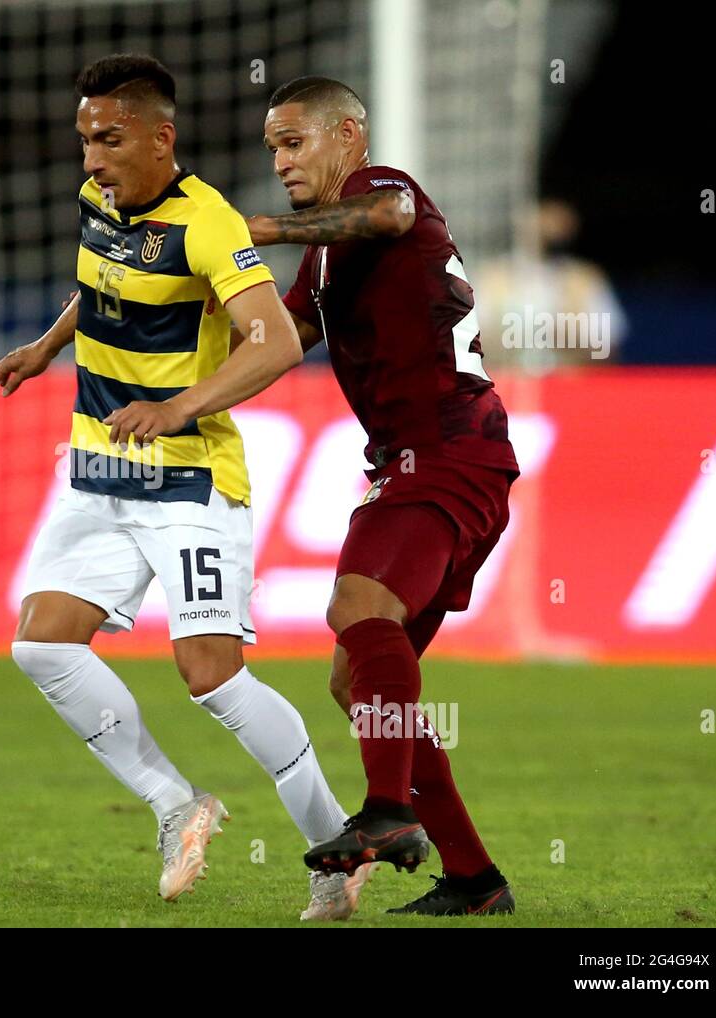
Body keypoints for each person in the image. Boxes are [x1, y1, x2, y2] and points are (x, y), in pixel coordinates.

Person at [0, 54, 372, 920]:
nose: (91, 158)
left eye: (109, 139)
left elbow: (272, 341)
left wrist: (177, 407)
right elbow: (104, 281)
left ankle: (336, 852)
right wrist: (50, 346)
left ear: (161, 139)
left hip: (190, 479)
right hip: (97, 465)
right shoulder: (100, 202)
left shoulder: (210, 224)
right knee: (42, 644)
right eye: (85, 139)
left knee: (212, 675)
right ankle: (175, 804)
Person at [245, 75, 520, 915]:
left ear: (348, 135)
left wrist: (250, 228)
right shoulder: (326, 249)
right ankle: (474, 880)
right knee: (355, 675)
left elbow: (390, 218)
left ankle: (392, 814)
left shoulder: (381, 192)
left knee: (359, 604)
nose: (282, 161)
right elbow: (282, 336)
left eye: (294, 142)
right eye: (273, 150)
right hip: (435, 460)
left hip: (442, 450)